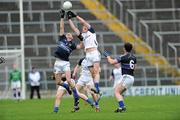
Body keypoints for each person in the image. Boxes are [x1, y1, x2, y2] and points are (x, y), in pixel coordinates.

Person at [53, 9, 83, 107]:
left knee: (69, 80)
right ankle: (66, 86)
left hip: (65, 63)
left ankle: (75, 96)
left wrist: (81, 39)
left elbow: (80, 47)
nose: (68, 33)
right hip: (57, 62)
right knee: (58, 82)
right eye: (67, 33)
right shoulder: (62, 39)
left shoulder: (72, 44)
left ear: (72, 38)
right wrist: (62, 17)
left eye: (70, 34)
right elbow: (61, 27)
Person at [67, 11, 101, 94]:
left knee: (96, 71)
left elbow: (83, 22)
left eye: (85, 27)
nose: (84, 27)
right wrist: (69, 19)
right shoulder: (82, 36)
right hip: (88, 55)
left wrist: (76, 16)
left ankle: (97, 88)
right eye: (83, 27)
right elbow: (74, 28)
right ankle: (95, 89)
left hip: (94, 53)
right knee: (93, 73)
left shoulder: (91, 32)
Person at [104, 42, 137, 113]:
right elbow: (134, 68)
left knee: (116, 92)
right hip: (131, 78)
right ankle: (120, 107)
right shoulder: (134, 57)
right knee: (120, 93)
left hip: (126, 77)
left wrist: (108, 56)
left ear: (124, 49)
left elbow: (112, 62)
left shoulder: (123, 57)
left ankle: (122, 107)